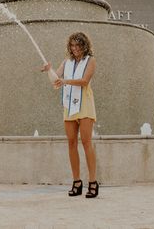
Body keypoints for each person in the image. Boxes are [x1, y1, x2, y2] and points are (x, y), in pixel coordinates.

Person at [41, 32, 99, 198]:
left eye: (78, 45)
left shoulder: (91, 60)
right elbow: (56, 79)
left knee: (87, 142)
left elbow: (84, 81)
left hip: (85, 105)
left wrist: (65, 81)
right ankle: (77, 182)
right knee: (71, 143)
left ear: (84, 45)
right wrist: (49, 70)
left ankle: (93, 182)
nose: (75, 49)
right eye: (72, 46)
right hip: (69, 105)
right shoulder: (67, 61)